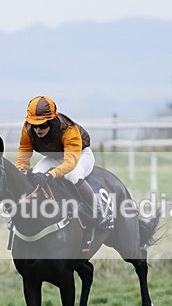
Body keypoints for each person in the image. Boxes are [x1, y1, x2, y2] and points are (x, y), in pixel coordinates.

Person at [15, 95, 112, 230]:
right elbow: (24, 155)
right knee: (35, 175)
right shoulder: (27, 128)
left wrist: (50, 175)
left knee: (72, 175)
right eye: (35, 125)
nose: (38, 130)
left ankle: (100, 211)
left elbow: (70, 163)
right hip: (54, 157)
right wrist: (21, 169)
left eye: (43, 125)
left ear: (52, 120)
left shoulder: (68, 129)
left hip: (79, 155)